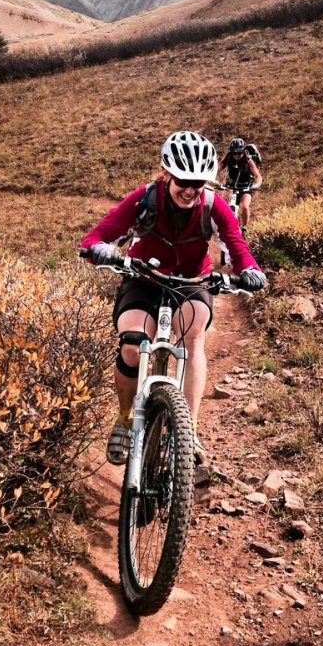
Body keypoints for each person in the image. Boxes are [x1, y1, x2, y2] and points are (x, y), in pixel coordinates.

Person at [81, 130, 265, 466]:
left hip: (192, 281)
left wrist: (250, 270)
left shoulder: (213, 205)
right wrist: (101, 249)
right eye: (184, 180)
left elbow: (237, 246)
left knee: (193, 341)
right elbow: (100, 233)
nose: (191, 189)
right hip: (143, 278)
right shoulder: (144, 199)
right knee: (133, 344)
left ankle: (188, 430)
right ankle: (125, 417)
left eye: (199, 182)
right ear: (166, 174)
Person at [218, 137, 262, 232]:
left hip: (245, 187)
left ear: (243, 151)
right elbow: (218, 167)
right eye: (234, 153)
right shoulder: (229, 157)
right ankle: (221, 225)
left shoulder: (248, 160)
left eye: (239, 153)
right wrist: (211, 177)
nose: (237, 155)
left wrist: (257, 185)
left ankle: (245, 228)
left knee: (245, 206)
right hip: (231, 185)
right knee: (221, 203)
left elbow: (258, 176)